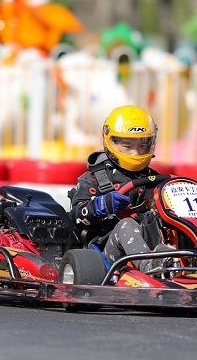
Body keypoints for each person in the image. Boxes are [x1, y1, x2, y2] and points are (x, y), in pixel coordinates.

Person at [68, 105, 173, 273]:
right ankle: (150, 268)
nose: (136, 153)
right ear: (111, 142)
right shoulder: (94, 178)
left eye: (143, 145)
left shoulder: (156, 179)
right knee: (126, 224)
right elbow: (76, 216)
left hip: (148, 243)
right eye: (127, 146)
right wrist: (101, 205)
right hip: (106, 253)